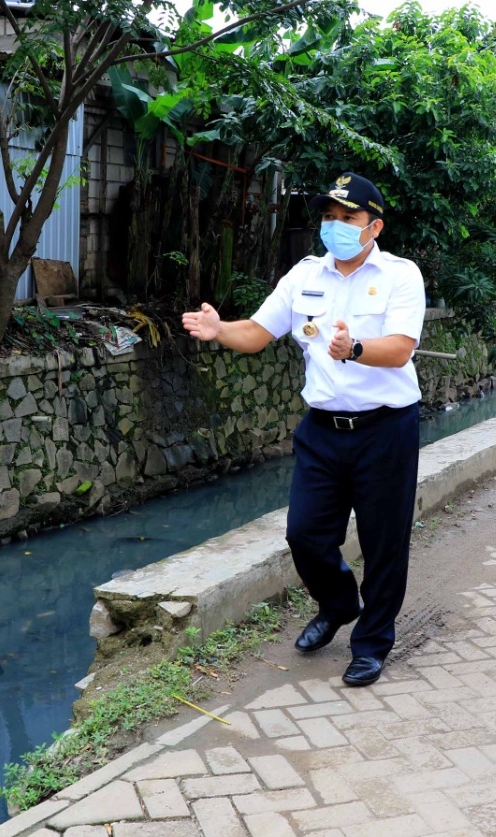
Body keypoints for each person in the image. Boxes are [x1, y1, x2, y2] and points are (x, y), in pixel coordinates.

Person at [181, 172, 425, 688]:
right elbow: (257, 332)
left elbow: (401, 348)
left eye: (348, 217)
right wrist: (219, 329)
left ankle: (372, 643)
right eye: (329, 217)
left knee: (384, 543)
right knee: (304, 533)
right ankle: (338, 604)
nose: (335, 226)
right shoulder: (305, 275)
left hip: (386, 429)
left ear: (374, 226)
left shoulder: (401, 276)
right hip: (323, 429)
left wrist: (354, 348)